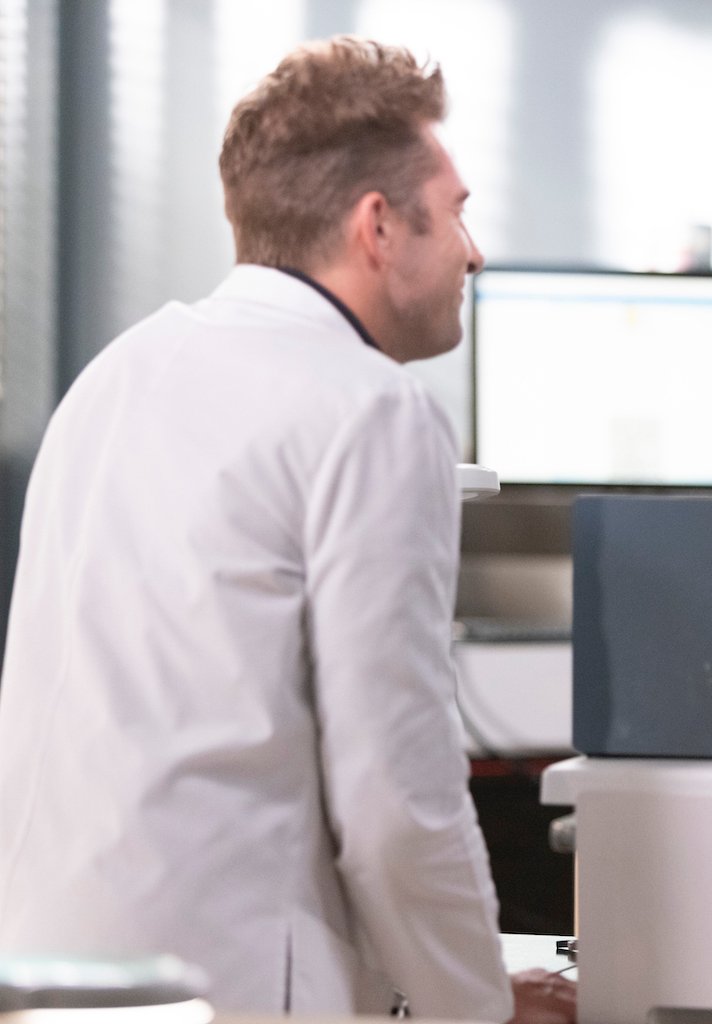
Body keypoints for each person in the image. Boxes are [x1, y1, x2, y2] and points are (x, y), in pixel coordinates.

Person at [0, 37, 575, 1022]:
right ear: (378, 225)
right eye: (460, 215)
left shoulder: (118, 369)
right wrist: (480, 1004)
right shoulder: (370, 408)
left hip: (57, 969)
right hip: (233, 978)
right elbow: (397, 801)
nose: (474, 253)